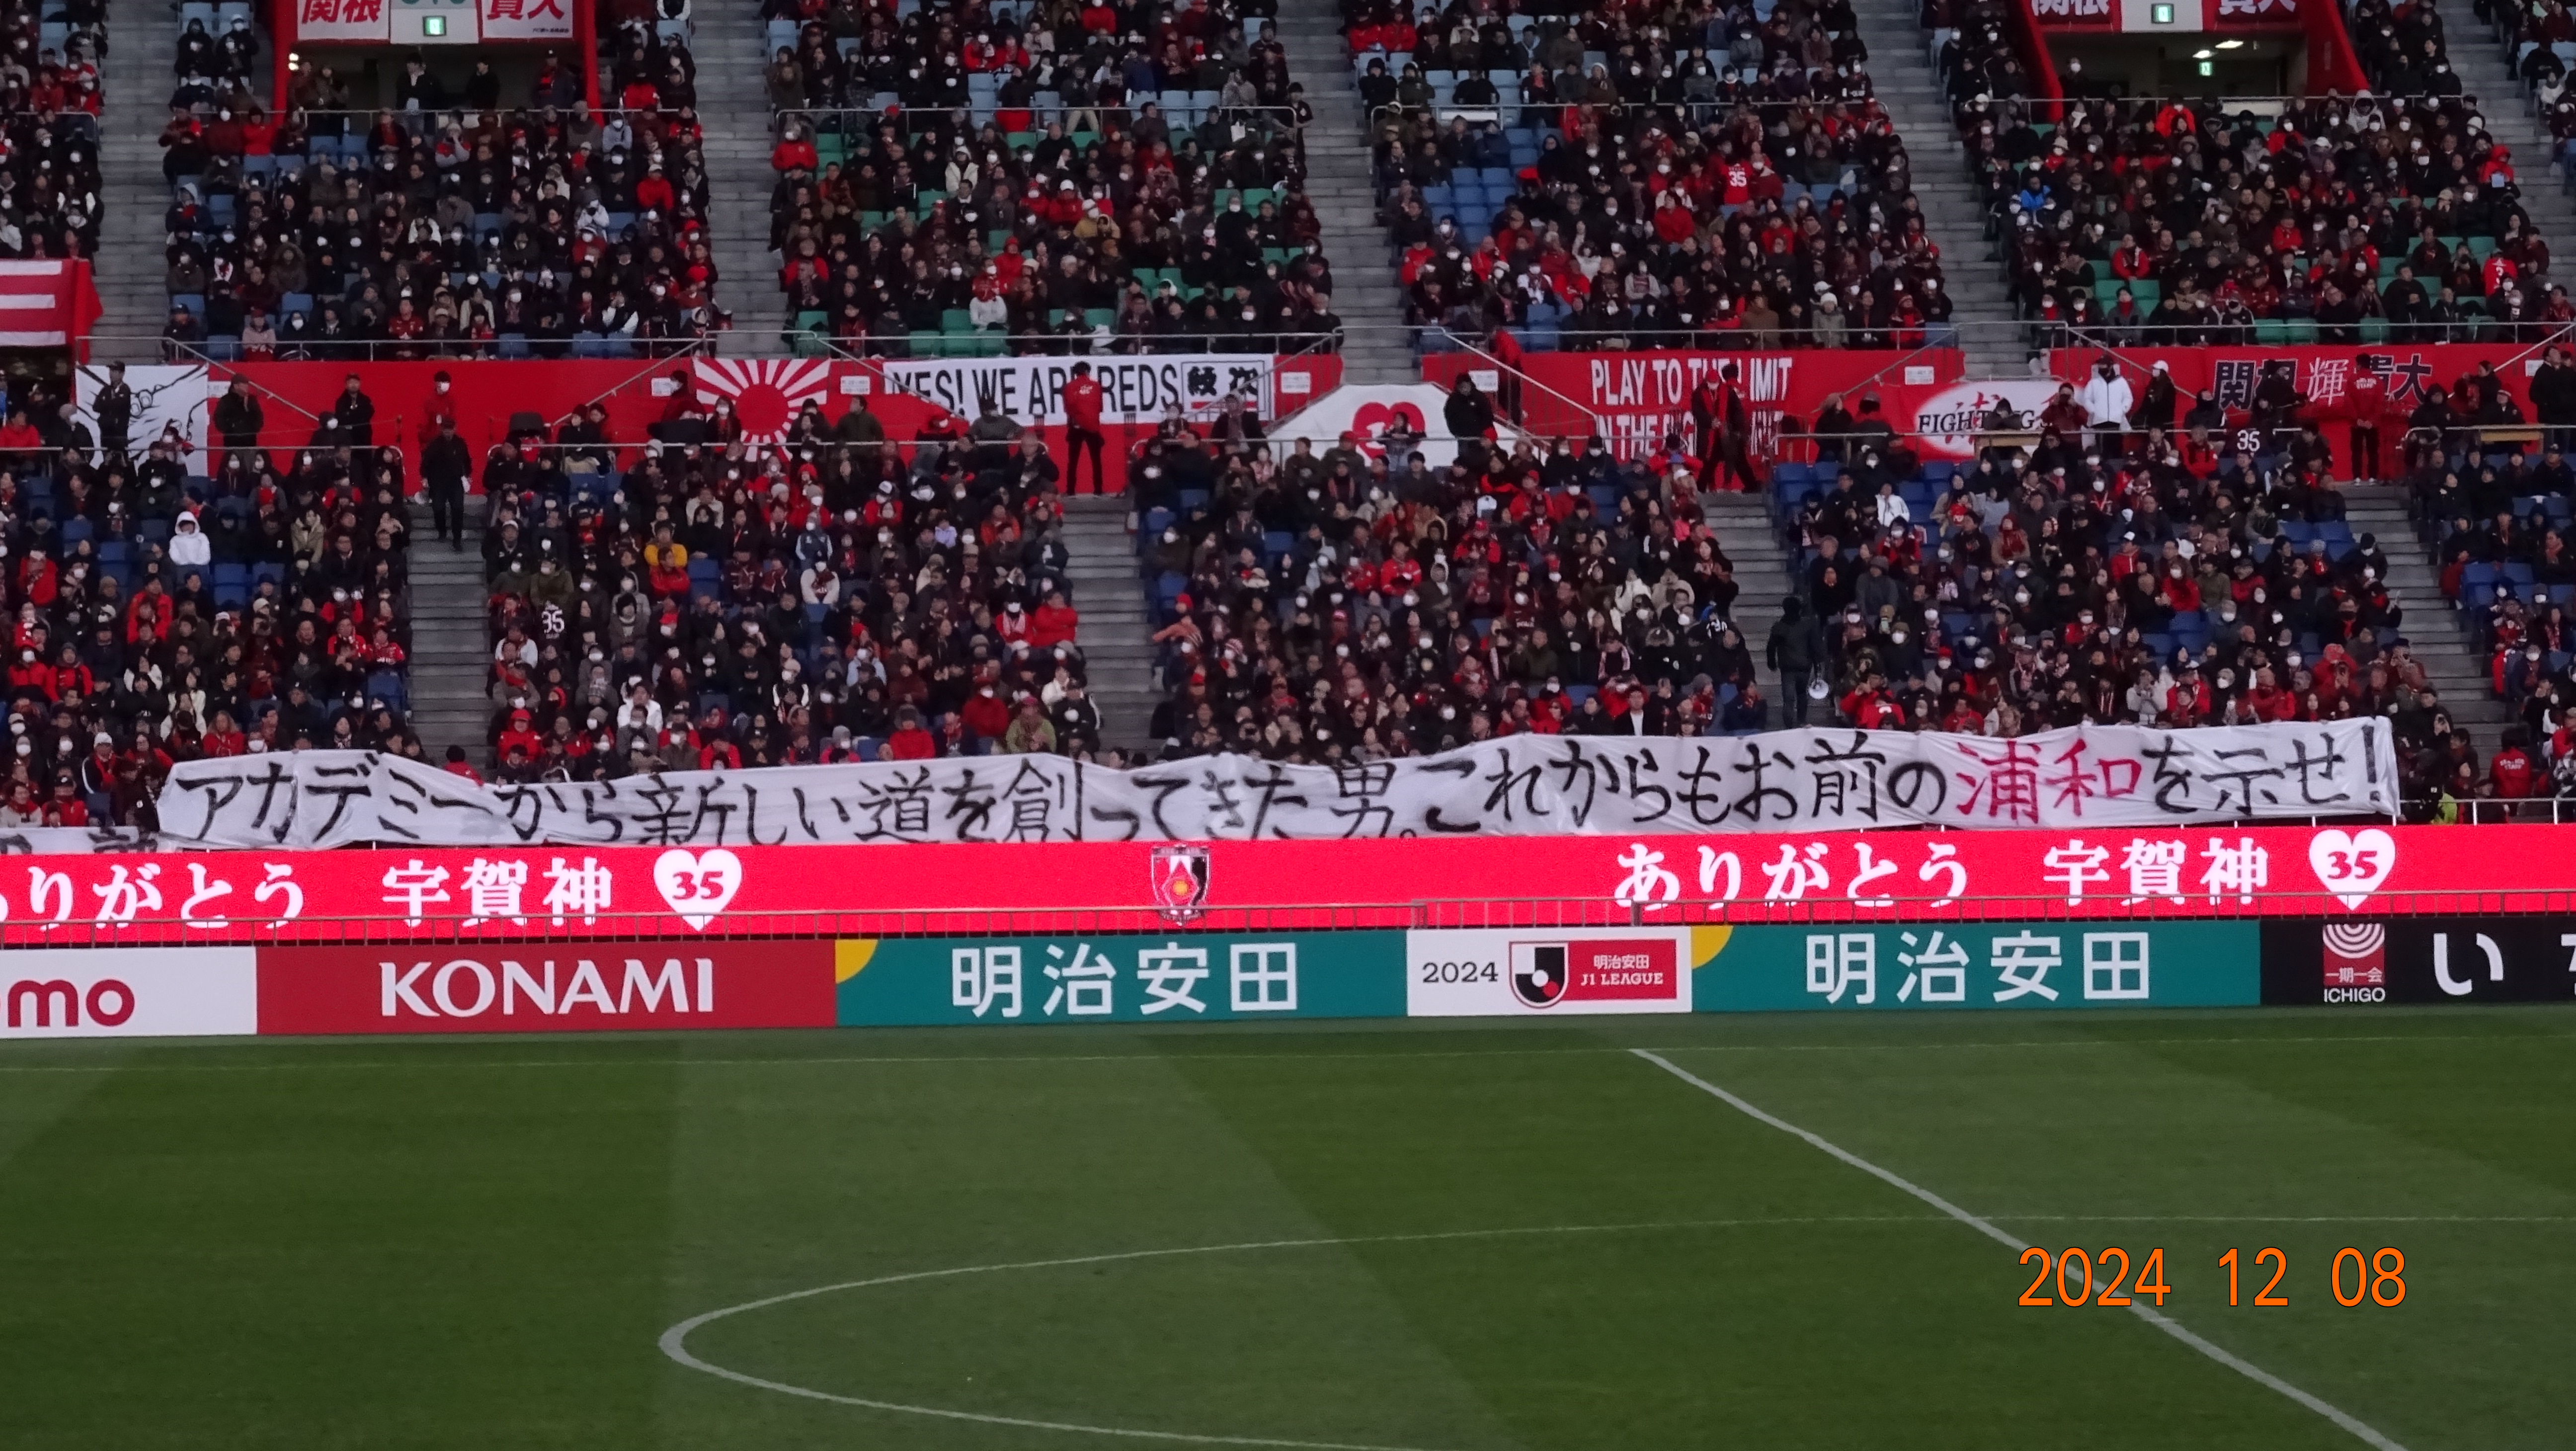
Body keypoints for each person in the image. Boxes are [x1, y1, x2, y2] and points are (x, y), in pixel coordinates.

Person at [1765, 595, 1825, 726]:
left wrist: (1772, 663)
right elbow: (1815, 646)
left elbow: (1771, 647)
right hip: (1805, 666)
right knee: (1802, 695)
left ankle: (1789, 724)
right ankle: (1801, 721)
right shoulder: (1808, 625)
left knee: (1789, 698)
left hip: (1787, 667)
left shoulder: (1779, 627)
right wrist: (1818, 665)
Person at [422, 416, 472, 547]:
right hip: (438, 482)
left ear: (455, 429)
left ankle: (457, 539)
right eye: (445, 429)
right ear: (442, 429)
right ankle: (442, 531)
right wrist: (425, 477)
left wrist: (468, 474)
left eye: (450, 429)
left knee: (458, 508)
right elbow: (426, 461)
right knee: (438, 508)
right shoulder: (435, 444)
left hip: (455, 481)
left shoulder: (460, 443)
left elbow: (466, 460)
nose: (448, 431)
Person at [1062, 361, 1106, 493]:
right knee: (1096, 460)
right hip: (1093, 426)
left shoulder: (1069, 387)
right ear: (1088, 372)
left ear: (1076, 373)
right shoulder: (1096, 386)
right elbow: (1100, 407)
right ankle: (1098, 490)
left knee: (1073, 460)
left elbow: (1068, 407)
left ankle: (1071, 490)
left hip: (1077, 425)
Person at [92, 361, 132, 458]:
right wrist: (110, 403)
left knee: (120, 457)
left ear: (122, 374)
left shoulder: (125, 389)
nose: (111, 374)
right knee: (107, 458)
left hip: (119, 433)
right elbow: (96, 407)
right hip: (105, 432)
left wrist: (107, 403)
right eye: (111, 371)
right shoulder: (105, 390)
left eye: (114, 371)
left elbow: (119, 405)